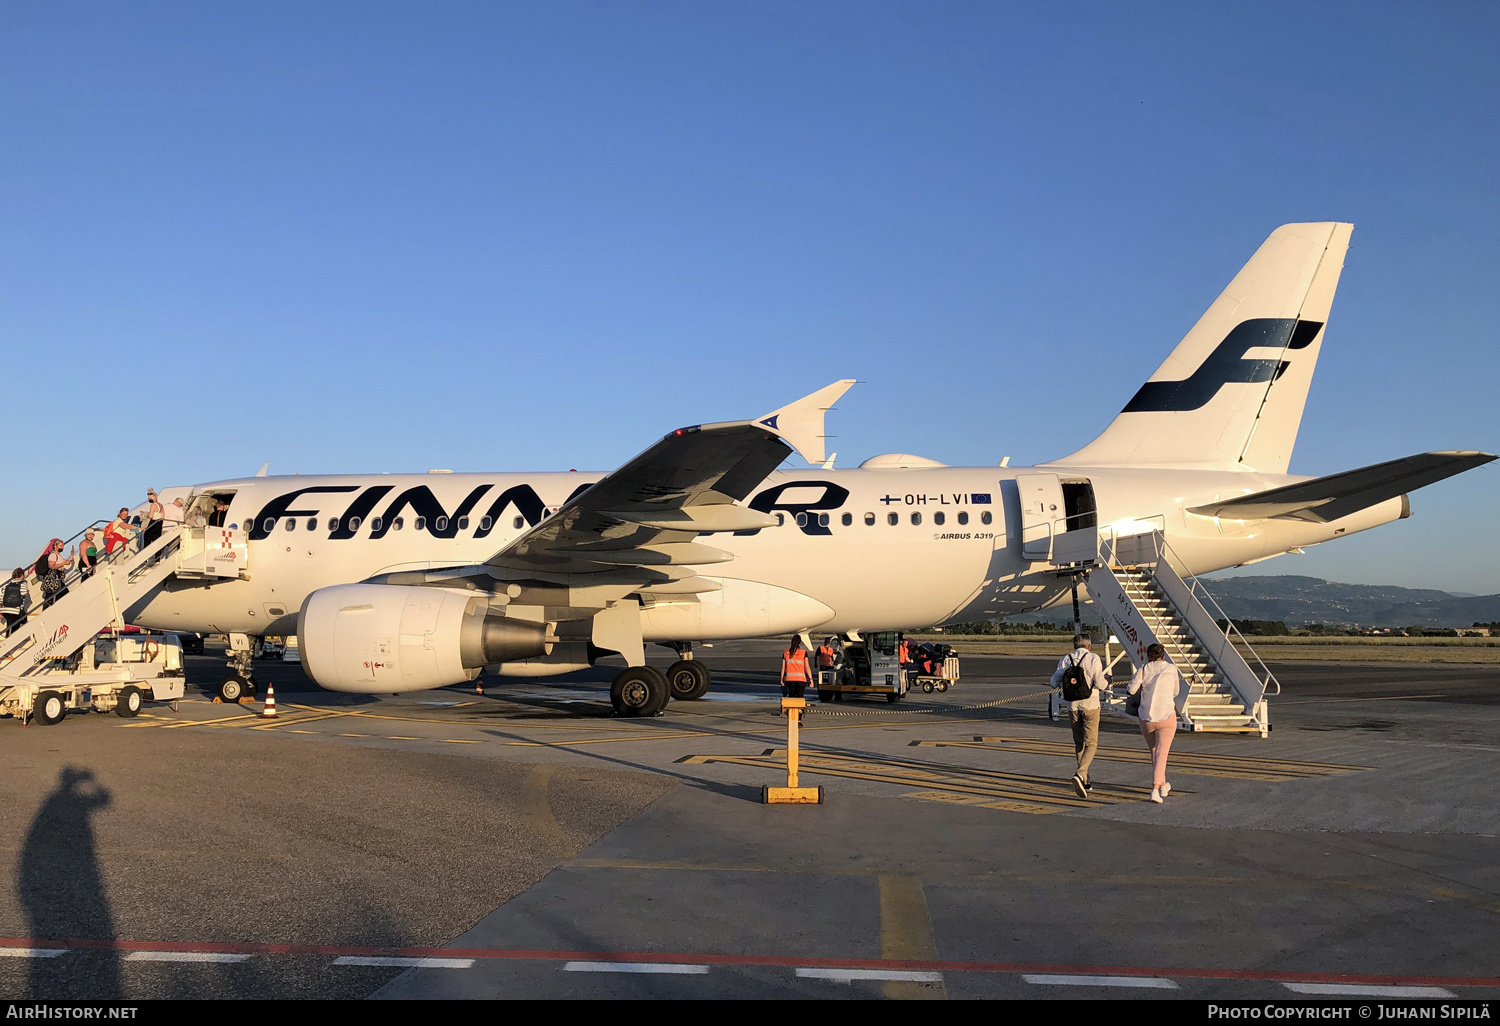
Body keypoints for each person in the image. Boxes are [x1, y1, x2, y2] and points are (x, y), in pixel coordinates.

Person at [1050, 634, 1111, 798]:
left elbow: (1053, 682)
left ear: (1074, 646)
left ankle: (1085, 780)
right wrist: (1108, 682)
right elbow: (1099, 683)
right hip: (1090, 704)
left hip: (1072, 705)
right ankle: (1080, 772)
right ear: (1089, 646)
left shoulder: (1065, 659)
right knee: (1091, 743)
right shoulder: (1093, 658)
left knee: (1079, 742)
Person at [1128, 643, 1182, 803]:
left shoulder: (1144, 669)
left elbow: (1131, 690)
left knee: (1154, 752)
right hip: (1166, 716)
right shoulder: (1171, 669)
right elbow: (1176, 691)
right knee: (1161, 754)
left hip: (1146, 717)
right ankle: (1155, 788)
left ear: (1148, 655)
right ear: (1163, 655)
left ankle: (1163, 784)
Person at [35, 539, 73, 609]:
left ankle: (51, 607)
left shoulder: (58, 555)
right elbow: (52, 566)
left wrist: (71, 555)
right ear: (55, 546)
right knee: (58, 592)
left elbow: (67, 562)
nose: (62, 547)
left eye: (63, 546)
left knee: (55, 593)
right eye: (61, 546)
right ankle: (48, 608)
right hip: (54, 577)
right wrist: (63, 563)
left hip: (57, 577)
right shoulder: (53, 555)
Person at [1, 568, 29, 636]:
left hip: (5, 609)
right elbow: (24, 593)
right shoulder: (22, 584)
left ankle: (8, 638)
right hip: (15, 610)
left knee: (10, 625)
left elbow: (1, 597)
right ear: (22, 575)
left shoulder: (7, 584)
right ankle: (9, 641)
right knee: (15, 626)